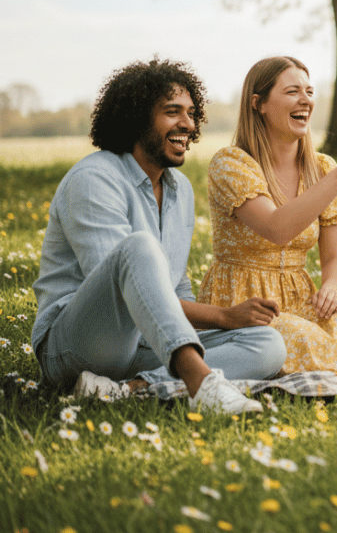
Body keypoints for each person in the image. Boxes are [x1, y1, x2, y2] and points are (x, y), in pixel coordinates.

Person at [32, 59, 286, 414]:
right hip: (77, 346)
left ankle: (135, 388)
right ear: (136, 118)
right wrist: (224, 317)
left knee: (268, 344)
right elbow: (126, 291)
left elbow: (174, 290)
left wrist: (226, 320)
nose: (188, 124)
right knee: (138, 246)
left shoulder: (178, 188)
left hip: (146, 344)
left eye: (191, 113)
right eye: (172, 112)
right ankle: (201, 384)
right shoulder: (93, 179)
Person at [197, 56, 337, 375]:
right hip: (243, 303)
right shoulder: (232, 163)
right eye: (292, 91)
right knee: (298, 336)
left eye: (309, 92)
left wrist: (331, 288)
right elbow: (276, 228)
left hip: (300, 296)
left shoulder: (322, 168)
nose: (305, 100)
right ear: (259, 104)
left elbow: (335, 258)